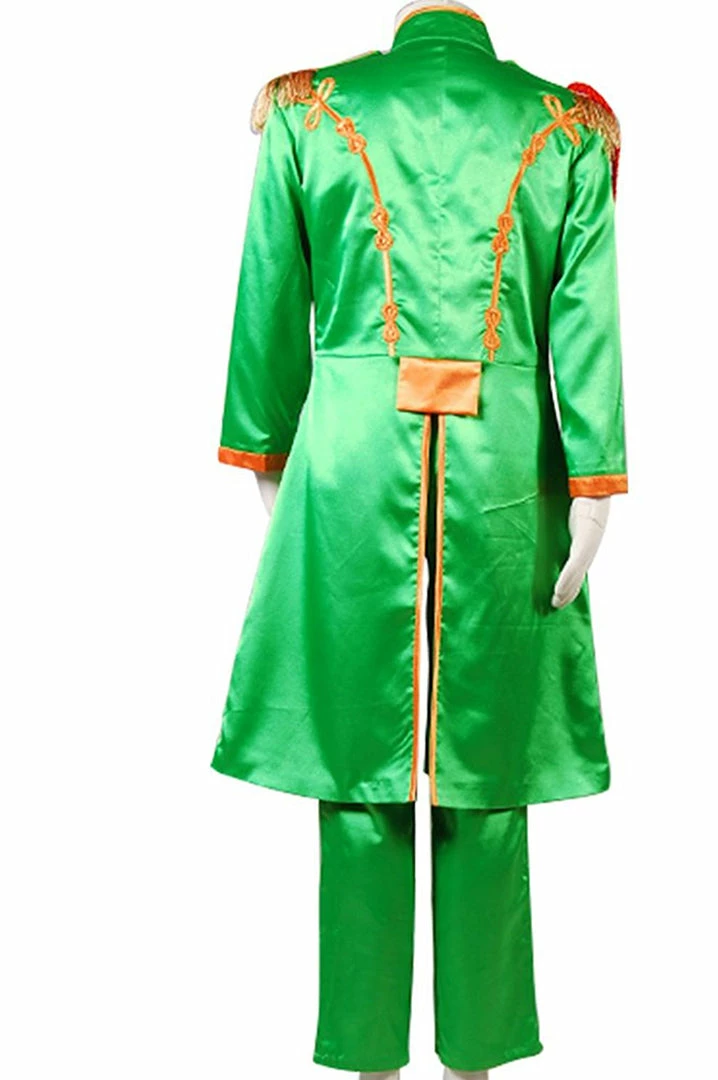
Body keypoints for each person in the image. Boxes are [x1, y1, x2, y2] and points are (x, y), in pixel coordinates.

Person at [211, 4, 627, 1076]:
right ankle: (476, 1056)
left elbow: (270, 298)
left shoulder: (312, 109)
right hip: (508, 462)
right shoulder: (563, 124)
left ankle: (368, 1057)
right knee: (489, 757)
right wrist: (594, 487)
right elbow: (585, 323)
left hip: (348, 457)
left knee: (361, 758)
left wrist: (268, 457)